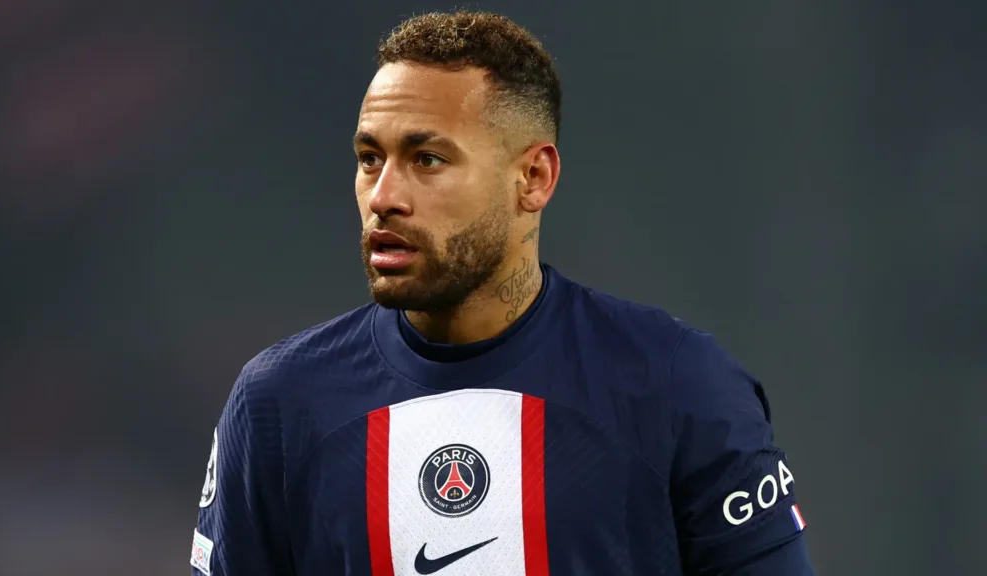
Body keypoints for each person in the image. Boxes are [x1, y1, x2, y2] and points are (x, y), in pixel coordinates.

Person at [190, 10, 815, 576]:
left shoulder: (679, 387)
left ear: (534, 178)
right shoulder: (277, 405)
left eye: (428, 158)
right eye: (369, 157)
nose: (383, 196)